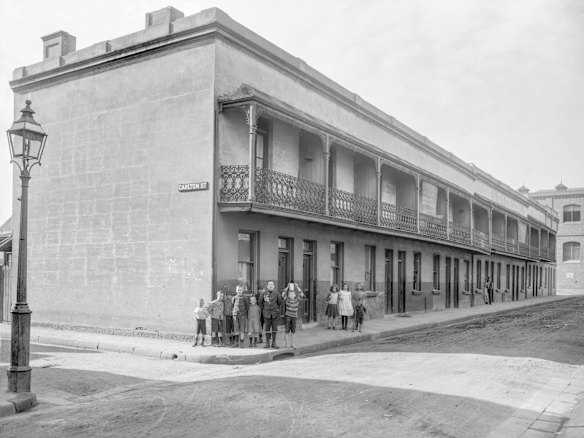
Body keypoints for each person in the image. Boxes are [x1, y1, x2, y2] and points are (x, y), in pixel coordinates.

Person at [259, 280, 282, 349]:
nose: (270, 286)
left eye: (272, 284)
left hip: (274, 314)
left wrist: (276, 310)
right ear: (267, 286)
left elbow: (279, 303)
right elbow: (260, 302)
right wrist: (264, 309)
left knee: (274, 328)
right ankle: (267, 342)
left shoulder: (277, 294)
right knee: (267, 328)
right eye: (269, 284)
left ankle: (274, 343)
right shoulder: (264, 294)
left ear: (274, 286)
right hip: (267, 314)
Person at [282, 283, 304, 348]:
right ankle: (287, 344)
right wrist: (287, 287)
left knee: (293, 331)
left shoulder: (297, 300)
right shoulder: (287, 300)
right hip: (288, 317)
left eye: (292, 294)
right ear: (288, 295)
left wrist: (297, 287)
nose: (291, 295)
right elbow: (283, 294)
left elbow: (302, 294)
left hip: (294, 317)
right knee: (287, 331)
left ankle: (292, 344)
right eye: (290, 294)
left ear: (295, 295)